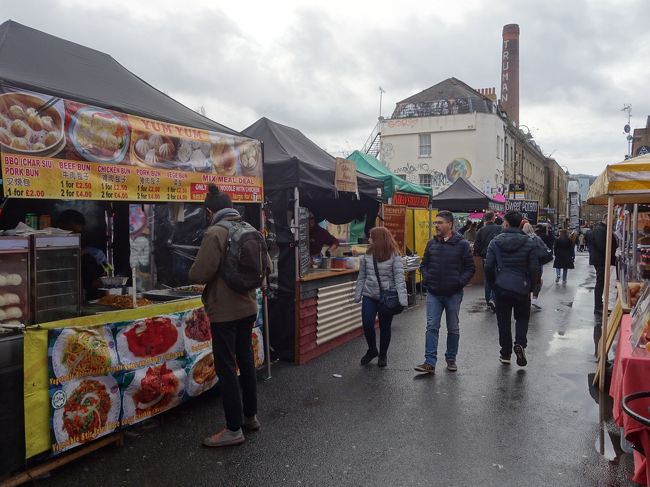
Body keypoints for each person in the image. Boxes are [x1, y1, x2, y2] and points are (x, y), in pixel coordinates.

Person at [189, 184, 270, 448]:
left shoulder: (216, 232)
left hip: (224, 312)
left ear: (210, 210)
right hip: (248, 307)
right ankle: (250, 417)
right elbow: (267, 266)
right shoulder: (249, 229)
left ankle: (233, 428)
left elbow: (199, 273)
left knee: (226, 367)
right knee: (245, 361)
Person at [415, 210, 475, 374]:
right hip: (434, 293)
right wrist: (426, 279)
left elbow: (470, 268)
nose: (437, 226)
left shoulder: (461, 244)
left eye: (440, 223)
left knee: (453, 328)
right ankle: (429, 362)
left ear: (450, 224)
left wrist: (458, 283)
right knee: (432, 326)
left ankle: (451, 359)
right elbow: (424, 264)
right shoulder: (431, 244)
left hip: (453, 294)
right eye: (436, 223)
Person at [484, 211, 538, 367]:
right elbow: (534, 268)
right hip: (522, 287)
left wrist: (493, 284)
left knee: (503, 321)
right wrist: (531, 287)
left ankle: (505, 353)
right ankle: (520, 343)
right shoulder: (529, 242)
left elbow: (488, 267)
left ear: (506, 224)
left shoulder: (495, 242)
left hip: (501, 287)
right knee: (522, 318)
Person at [354, 227, 407, 367]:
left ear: (378, 239)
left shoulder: (394, 255)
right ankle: (372, 350)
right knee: (367, 322)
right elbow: (362, 276)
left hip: (387, 296)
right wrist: (358, 294)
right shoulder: (367, 254)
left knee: (385, 326)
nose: (369, 239)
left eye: (371, 237)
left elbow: (399, 278)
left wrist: (402, 300)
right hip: (369, 295)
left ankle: (383, 354)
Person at [58, 209, 106, 301]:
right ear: (60, 227)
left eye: (78, 233)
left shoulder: (89, 255)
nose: (76, 236)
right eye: (72, 231)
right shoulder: (50, 250)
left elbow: (99, 277)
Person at [586, 216, 618, 315]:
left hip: (601, 260)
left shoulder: (601, 229)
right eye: (612, 220)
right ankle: (598, 306)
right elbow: (603, 246)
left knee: (601, 282)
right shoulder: (601, 230)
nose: (613, 222)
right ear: (607, 219)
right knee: (600, 282)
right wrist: (611, 256)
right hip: (601, 260)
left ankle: (599, 304)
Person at [473, 211, 502, 311]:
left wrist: (481, 252)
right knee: (496, 278)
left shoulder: (481, 230)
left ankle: (488, 300)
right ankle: (493, 299)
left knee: (487, 278)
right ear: (493, 218)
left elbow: (476, 246)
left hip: (485, 257)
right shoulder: (499, 228)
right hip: (498, 258)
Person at [522, 222, 548, 309]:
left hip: (524, 263)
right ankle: (535, 299)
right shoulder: (537, 238)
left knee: (526, 280)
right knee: (537, 281)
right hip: (537, 262)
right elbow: (544, 248)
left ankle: (527, 299)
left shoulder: (521, 238)